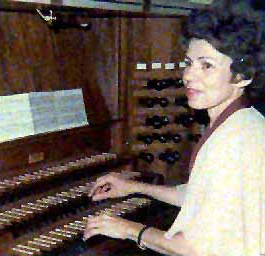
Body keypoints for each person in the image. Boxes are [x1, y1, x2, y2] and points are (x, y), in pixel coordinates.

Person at [83, 1, 265, 255]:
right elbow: (198, 196)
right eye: (189, 62)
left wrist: (126, 229)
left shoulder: (234, 142)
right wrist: (135, 187)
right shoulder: (242, 121)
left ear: (243, 76)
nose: (189, 75)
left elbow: (193, 249)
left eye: (206, 65)